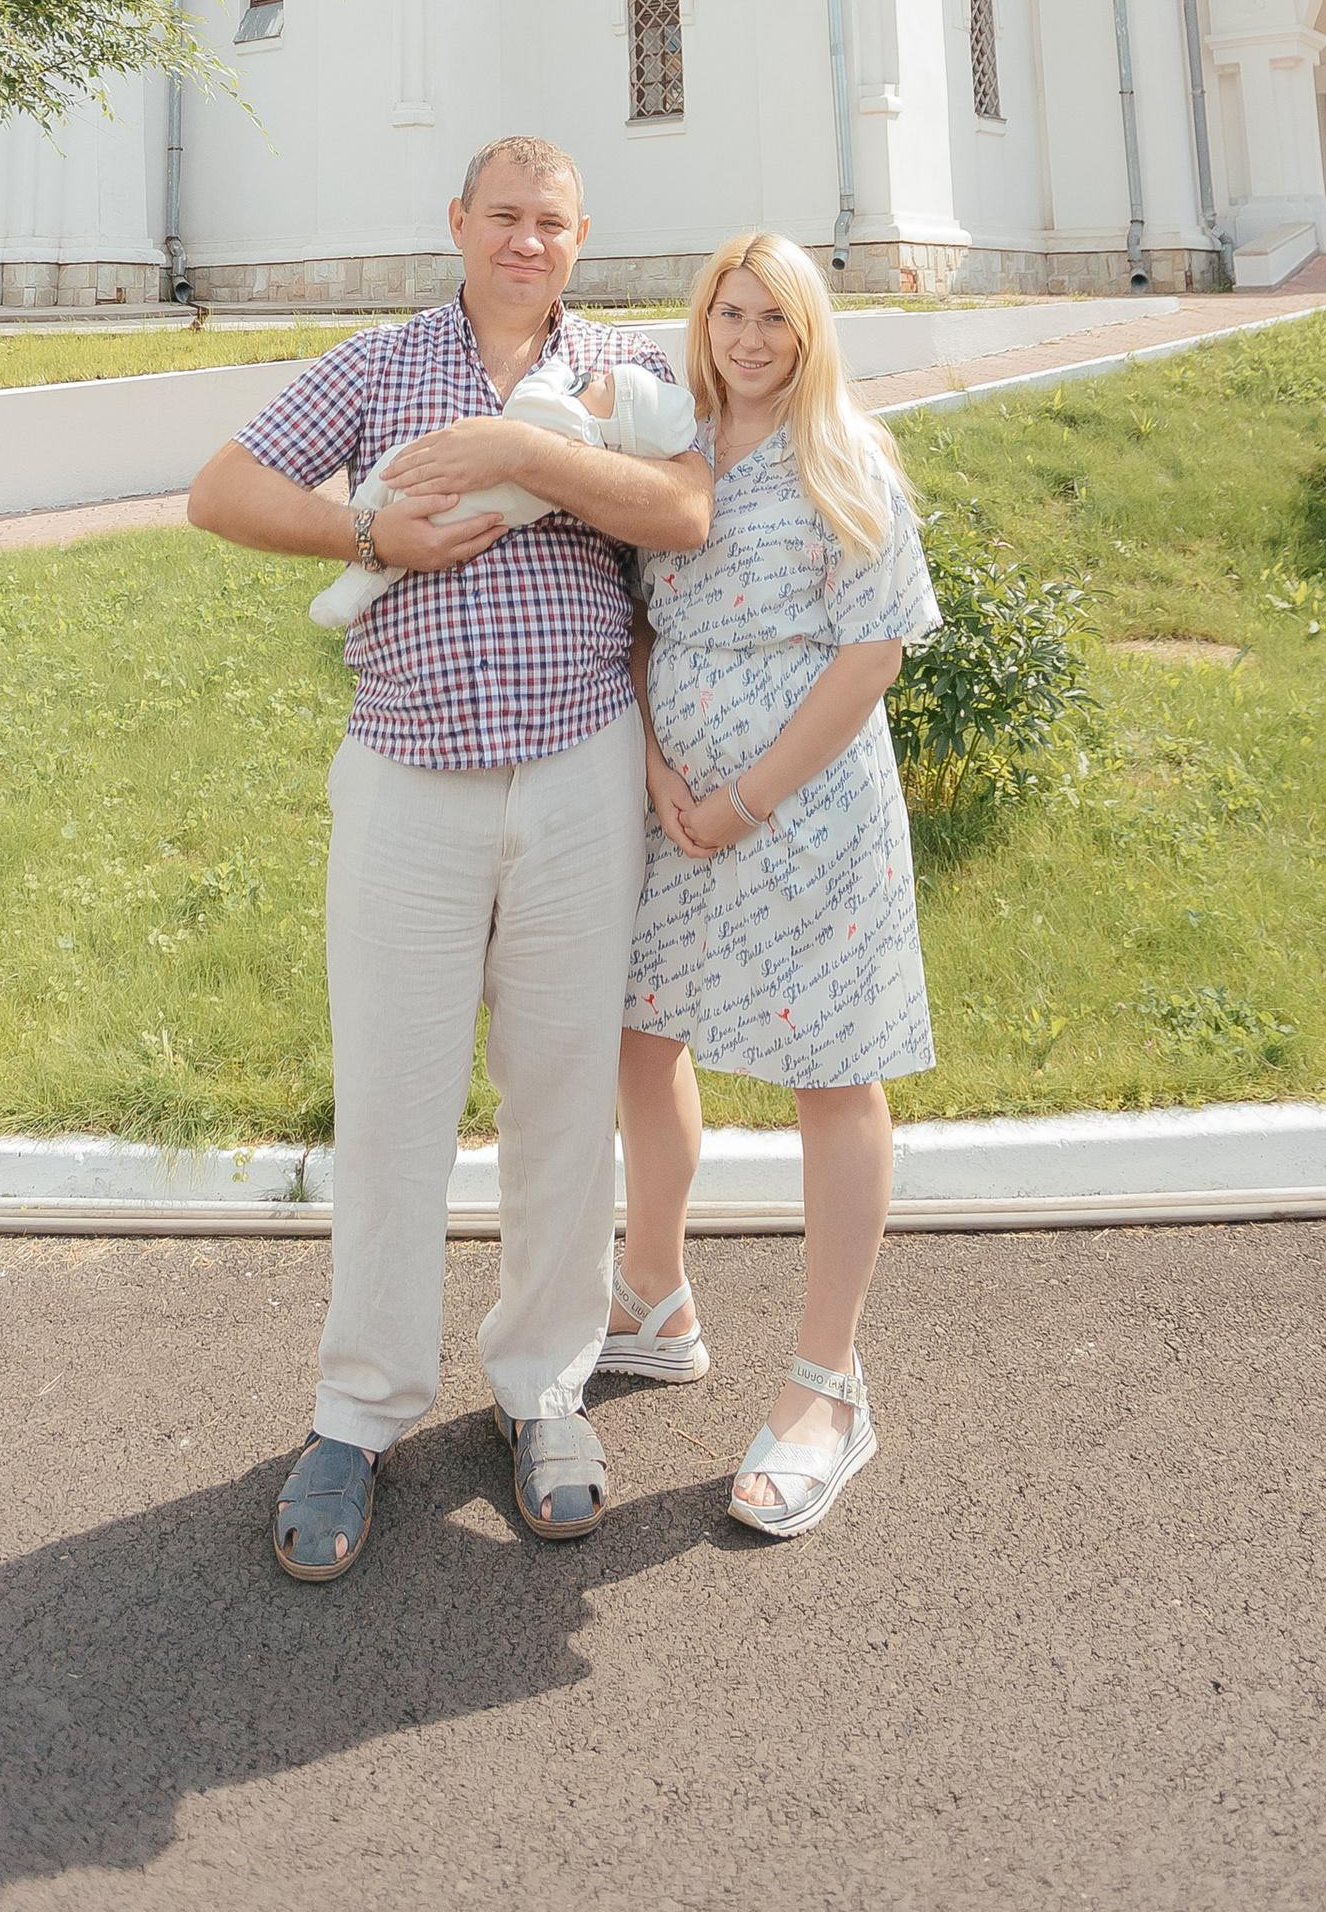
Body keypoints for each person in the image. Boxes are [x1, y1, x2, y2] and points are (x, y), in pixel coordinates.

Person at [184, 137, 712, 1583]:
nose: (527, 241)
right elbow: (220, 490)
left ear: (582, 236)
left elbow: (686, 509)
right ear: (459, 225)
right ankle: (358, 1412)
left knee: (562, 1102)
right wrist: (368, 528)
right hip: (408, 778)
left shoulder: (623, 367)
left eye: (553, 222)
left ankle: (545, 1390)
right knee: (393, 1101)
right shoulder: (378, 364)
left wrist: (535, 457)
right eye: (504, 217)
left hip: (580, 768)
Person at [603, 229, 939, 1539]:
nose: (749, 338)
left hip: (806, 817)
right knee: (639, 1039)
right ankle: (653, 1295)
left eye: (775, 318)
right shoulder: (669, 450)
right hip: (674, 808)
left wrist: (747, 797)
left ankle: (825, 1386)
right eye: (730, 313)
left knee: (831, 1073)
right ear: (703, 323)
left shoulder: (843, 457)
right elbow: (634, 621)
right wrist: (658, 771)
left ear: (810, 332)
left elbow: (872, 655)